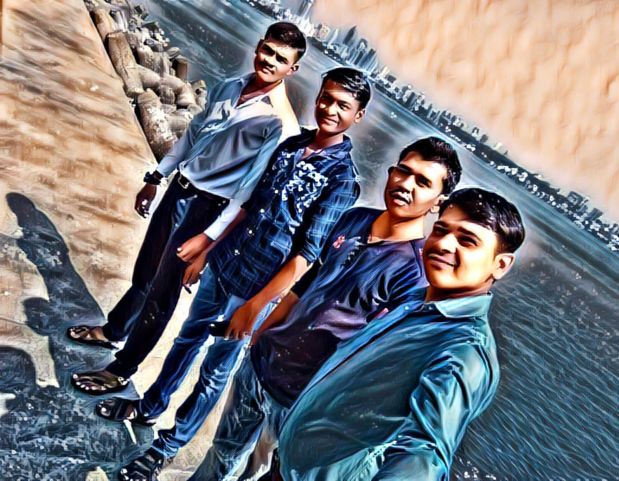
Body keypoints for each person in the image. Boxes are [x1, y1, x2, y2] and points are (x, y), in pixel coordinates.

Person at [104, 68, 372, 481]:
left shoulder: (342, 180)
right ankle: (150, 406)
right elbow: (248, 205)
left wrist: (256, 306)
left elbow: (306, 254)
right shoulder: (291, 145)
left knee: (214, 372)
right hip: (227, 263)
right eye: (326, 98)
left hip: (256, 289)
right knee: (186, 340)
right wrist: (207, 251)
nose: (329, 109)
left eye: (343, 105)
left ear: (358, 115)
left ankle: (165, 448)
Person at [184, 137, 463, 481]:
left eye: (423, 182)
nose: (406, 185)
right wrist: (260, 335)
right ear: (391, 172)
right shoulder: (354, 219)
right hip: (261, 367)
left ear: (439, 202)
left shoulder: (412, 274)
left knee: (259, 473)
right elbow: (305, 285)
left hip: (302, 400)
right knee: (221, 455)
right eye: (403, 172)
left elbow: (375, 355)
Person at [67, 22, 306, 393]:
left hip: (207, 209)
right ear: (259, 46)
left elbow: (247, 192)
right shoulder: (230, 85)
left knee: (162, 295)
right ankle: (114, 330)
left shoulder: (280, 124)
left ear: (292, 69)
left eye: (280, 59)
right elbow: (193, 134)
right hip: (178, 190)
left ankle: (121, 369)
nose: (269, 61)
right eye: (267, 51)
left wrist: (208, 240)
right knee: (145, 273)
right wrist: (156, 176)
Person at [276, 187, 525, 481]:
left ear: (500, 265)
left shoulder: (464, 351)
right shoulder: (417, 303)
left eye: (467, 241)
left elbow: (423, 456)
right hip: (291, 466)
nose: (444, 244)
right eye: (440, 230)